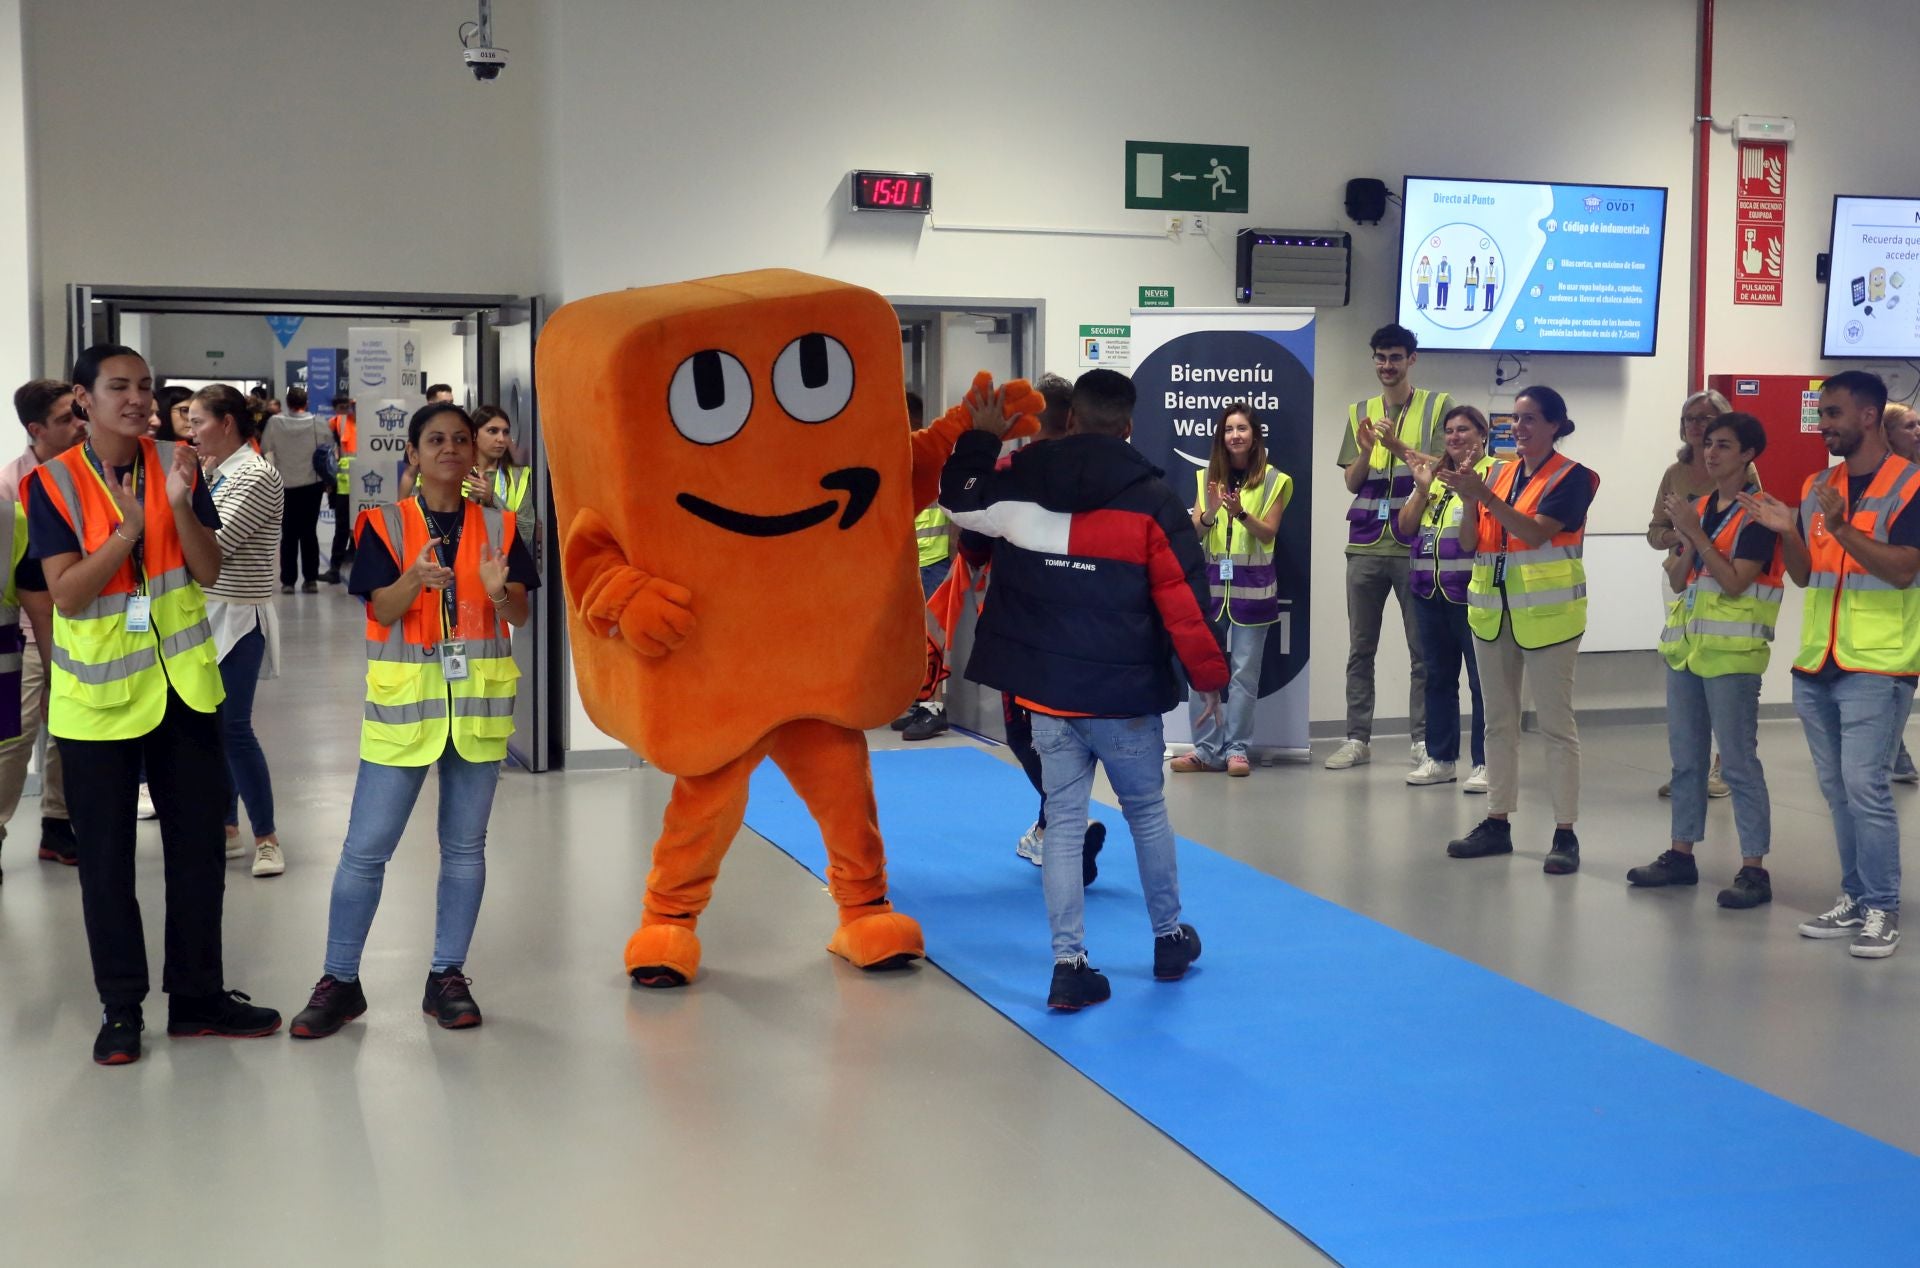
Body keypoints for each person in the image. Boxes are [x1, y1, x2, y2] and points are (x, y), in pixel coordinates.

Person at [941, 369, 1227, 1011]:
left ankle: (1069, 966)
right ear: (1127, 426)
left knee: (1065, 826)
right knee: (1147, 815)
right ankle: (1168, 941)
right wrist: (1209, 678)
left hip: (1048, 696)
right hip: (1124, 697)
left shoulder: (1021, 483)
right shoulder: (1154, 501)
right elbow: (1184, 602)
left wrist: (980, 438)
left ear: (1071, 421)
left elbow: (957, 503)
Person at [26, 345, 280, 1065]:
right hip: (101, 699)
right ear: (84, 397)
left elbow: (208, 569)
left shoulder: (178, 461)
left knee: (197, 852)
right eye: (119, 387)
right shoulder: (52, 483)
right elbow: (68, 592)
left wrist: (175, 504)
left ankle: (199, 996)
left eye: (144, 386)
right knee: (105, 863)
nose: (136, 399)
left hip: (184, 688)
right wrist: (130, 532)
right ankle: (121, 1008)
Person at [290, 402, 538, 1038]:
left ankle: (446, 976)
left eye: (460, 439)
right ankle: (339, 979)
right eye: (436, 439)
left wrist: (494, 590)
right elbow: (381, 606)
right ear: (413, 452)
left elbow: (519, 616)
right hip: (404, 711)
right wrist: (415, 579)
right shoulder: (385, 524)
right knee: (365, 851)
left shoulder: (503, 525)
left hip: (478, 709)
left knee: (463, 850)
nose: (450, 448)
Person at [1741, 371, 1919, 959]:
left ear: (1869, 416)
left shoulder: (1911, 485)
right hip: (1818, 661)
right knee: (1838, 790)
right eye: (1823, 415)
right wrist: (1790, 530)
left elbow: (1901, 570)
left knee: (1865, 787)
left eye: (1835, 414)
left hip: (1878, 661)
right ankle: (1856, 896)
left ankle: (1883, 908)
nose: (1825, 426)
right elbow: (1804, 574)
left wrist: (1841, 527)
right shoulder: (1820, 483)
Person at [1440, 385, 1600, 874]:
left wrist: (1482, 493)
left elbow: (1534, 533)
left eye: (1530, 419)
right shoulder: (1501, 474)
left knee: (1555, 726)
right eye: (1515, 418)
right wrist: (1471, 501)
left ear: (1555, 425)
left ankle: (1565, 832)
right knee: (1497, 723)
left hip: (1549, 618)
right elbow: (1472, 541)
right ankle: (1496, 820)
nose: (1520, 427)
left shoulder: (1575, 478)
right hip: (1493, 613)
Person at [1632, 412, 1780, 908]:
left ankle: (1753, 868)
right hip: (1687, 651)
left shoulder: (1759, 513)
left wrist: (1695, 536)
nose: (1711, 452)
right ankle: (1681, 854)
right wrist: (1686, 537)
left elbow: (1736, 581)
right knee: (1686, 760)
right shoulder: (1698, 507)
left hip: (1733, 656)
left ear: (1748, 455)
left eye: (1723, 445)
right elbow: (1678, 579)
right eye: (1708, 444)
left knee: (1738, 763)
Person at [1328, 324, 1452, 771]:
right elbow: (1351, 482)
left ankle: (1422, 740)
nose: (1386, 365)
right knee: (1361, 648)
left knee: (1422, 651)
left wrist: (1395, 444)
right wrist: (1365, 450)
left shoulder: (1439, 405)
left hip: (1416, 544)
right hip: (1363, 545)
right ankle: (1357, 738)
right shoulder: (1359, 411)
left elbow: (1440, 468)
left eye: (1395, 357)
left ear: (1411, 360)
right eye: (1380, 357)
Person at [187, 386, 285, 878]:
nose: (191, 432)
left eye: (199, 421)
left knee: (234, 728)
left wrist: (168, 514)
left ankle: (266, 836)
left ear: (227, 423)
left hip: (240, 616)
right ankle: (226, 826)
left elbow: (217, 541)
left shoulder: (256, 474)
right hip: (201, 612)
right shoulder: (211, 472)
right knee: (208, 724)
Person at [1171, 401, 1291, 777]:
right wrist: (1208, 511)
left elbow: (1268, 532)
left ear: (1255, 435)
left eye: (1242, 428)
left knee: (1243, 675)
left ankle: (1237, 749)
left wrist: (1239, 511)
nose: (1235, 435)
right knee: (1202, 670)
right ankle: (1205, 750)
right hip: (1210, 593)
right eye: (1228, 429)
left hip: (1253, 592)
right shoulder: (1205, 477)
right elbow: (1194, 533)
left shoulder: (1276, 480)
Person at [0, 379, 83, 869]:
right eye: (65, 419)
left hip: (85, 623)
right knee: (18, 734)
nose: (78, 425)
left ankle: (57, 824)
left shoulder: (90, 473)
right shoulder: (12, 486)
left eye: (78, 414)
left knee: (69, 734)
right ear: (36, 430)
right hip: (30, 632)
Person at [1647, 389, 1738, 800]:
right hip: (1680, 578)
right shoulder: (1675, 472)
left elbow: (1747, 526)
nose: (1697, 427)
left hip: (1721, 580)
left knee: (1717, 674)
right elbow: (1654, 532)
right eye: (1690, 419)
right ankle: (1689, 768)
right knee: (1683, 673)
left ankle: (1723, 768)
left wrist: (1701, 536)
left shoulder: (1743, 472)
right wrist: (1678, 534)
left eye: (1706, 418)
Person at [1399, 405, 1492, 790]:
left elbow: (1474, 540)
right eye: (1450, 431)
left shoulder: (1493, 475)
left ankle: (1487, 763)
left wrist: (1469, 493)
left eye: (1464, 430)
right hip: (1428, 592)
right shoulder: (1433, 478)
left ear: (1482, 434)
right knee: (1437, 677)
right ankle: (1440, 758)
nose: (1455, 437)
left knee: (1481, 682)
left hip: (1471, 595)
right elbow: (1405, 529)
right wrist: (1421, 490)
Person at [260, 385, 329, 593]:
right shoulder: (318, 422)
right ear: (306, 403)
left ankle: (288, 582)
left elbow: (265, 448)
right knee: (309, 533)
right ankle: (310, 580)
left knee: (288, 534)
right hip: (311, 484)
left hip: (284, 485)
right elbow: (329, 448)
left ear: (288, 403)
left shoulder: (275, 422)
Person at [1884, 403, 1920, 784]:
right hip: (1891, 595)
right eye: (1909, 425)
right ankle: (1892, 751)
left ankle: (1894, 750)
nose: (1918, 430)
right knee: (1894, 677)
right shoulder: (1884, 482)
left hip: (1914, 599)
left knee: (1908, 676)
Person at [321, 395, 356, 583]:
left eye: (348, 405)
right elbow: (326, 451)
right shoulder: (335, 423)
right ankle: (335, 567)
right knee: (342, 528)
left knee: (363, 527)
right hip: (343, 484)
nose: (346, 409)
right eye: (342, 406)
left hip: (367, 486)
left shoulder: (368, 422)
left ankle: (353, 558)